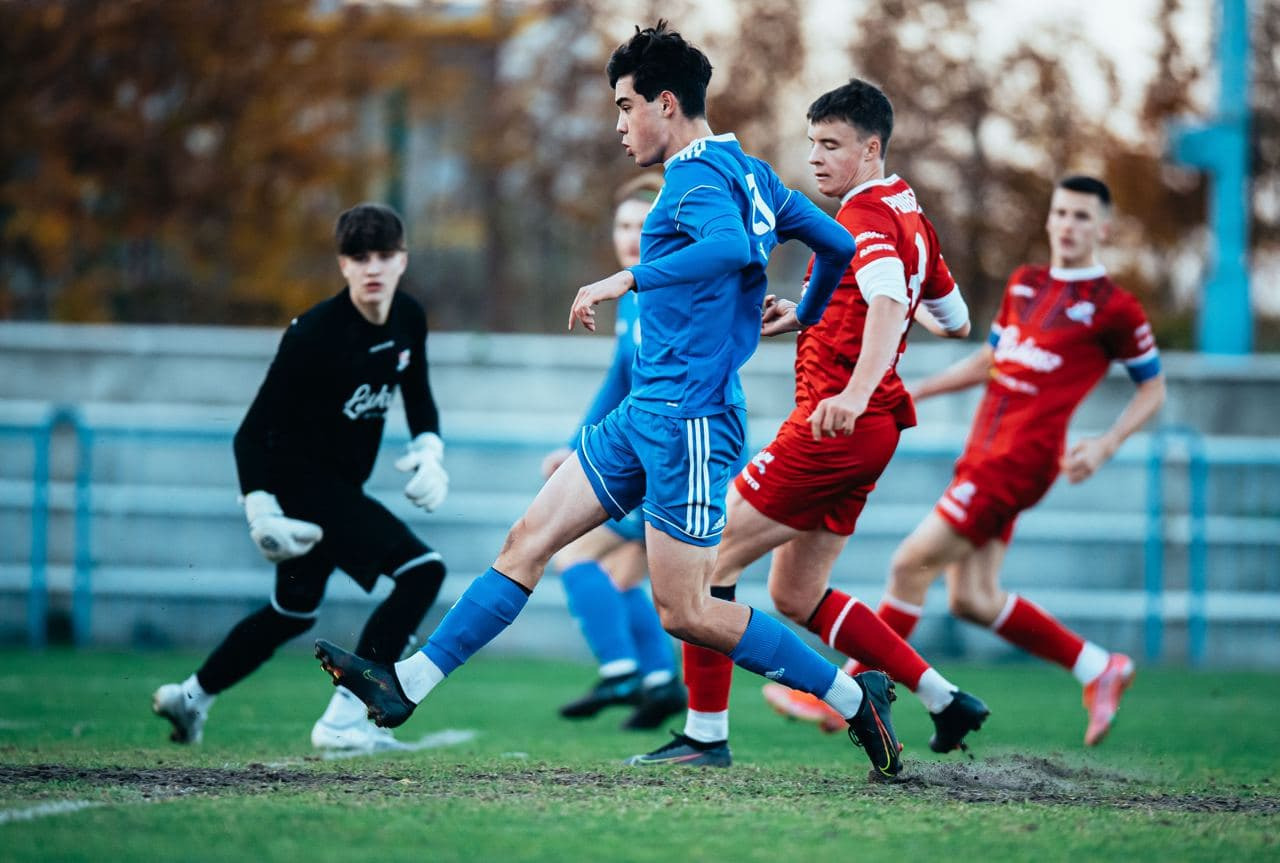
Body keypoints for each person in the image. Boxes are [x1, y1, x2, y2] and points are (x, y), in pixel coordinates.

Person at [315, 21, 910, 780]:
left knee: (687, 610)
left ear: (667, 103)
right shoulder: (753, 173)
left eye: (626, 106)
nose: (620, 125)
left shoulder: (698, 179)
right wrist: (806, 311)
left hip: (691, 422)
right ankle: (405, 685)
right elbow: (836, 246)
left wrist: (625, 278)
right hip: (643, 415)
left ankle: (855, 698)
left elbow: (731, 248)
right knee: (528, 540)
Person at [627, 78, 989, 768]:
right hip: (872, 430)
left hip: (836, 425)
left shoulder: (866, 216)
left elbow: (888, 302)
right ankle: (944, 698)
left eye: (832, 145)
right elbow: (955, 319)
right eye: (813, 143)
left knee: (709, 559)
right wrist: (816, 315)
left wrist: (854, 388)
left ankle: (706, 734)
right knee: (796, 593)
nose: (816, 158)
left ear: (872, 149)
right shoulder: (911, 213)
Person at [848, 175, 1165, 746]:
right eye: (1061, 213)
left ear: (1103, 228)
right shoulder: (1025, 284)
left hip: (1019, 462)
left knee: (910, 563)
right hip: (983, 452)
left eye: (1082, 216)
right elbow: (989, 362)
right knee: (972, 598)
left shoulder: (1114, 308)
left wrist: (1105, 444)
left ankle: (845, 696)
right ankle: (1099, 666)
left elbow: (1153, 388)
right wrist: (916, 390)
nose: (1068, 225)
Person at [152, 203, 450, 753]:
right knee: (422, 572)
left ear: (403, 260)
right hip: (303, 486)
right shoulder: (315, 333)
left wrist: (429, 450)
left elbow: (419, 395)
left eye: (384, 255)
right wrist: (260, 506)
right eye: (359, 256)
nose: (373, 267)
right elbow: (250, 433)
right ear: (343, 264)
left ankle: (190, 698)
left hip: (340, 489)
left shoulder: (409, 317)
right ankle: (346, 718)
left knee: (291, 612)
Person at [544, 173, 689, 730]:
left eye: (643, 225)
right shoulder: (632, 298)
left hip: (674, 462)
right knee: (624, 579)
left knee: (571, 552)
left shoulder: (671, 295)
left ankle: (621, 671)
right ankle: (660, 683)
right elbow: (619, 382)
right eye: (623, 225)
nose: (631, 236)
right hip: (654, 459)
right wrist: (573, 446)